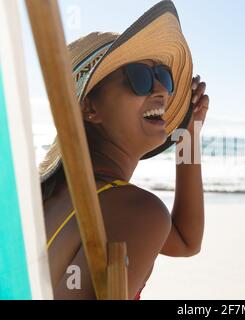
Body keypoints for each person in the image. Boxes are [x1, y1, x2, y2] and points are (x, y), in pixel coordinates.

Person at [38, 1, 208, 299]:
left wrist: (188, 135)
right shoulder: (137, 210)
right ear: (89, 107)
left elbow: (185, 239)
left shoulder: (47, 196)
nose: (161, 91)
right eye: (139, 77)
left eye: (164, 77)